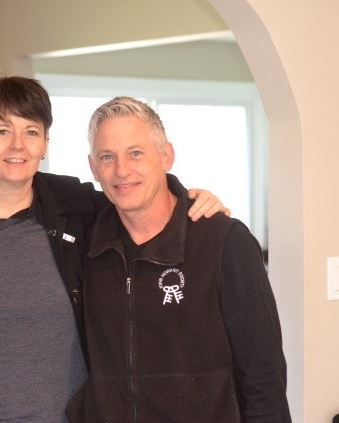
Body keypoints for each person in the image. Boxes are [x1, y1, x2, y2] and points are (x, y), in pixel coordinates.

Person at [0, 77, 227, 422]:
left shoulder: (80, 211)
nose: (18, 146)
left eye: (31, 132)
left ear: (45, 142)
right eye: (2, 131)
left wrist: (188, 199)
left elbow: (140, 198)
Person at [65, 96, 291, 422]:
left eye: (136, 153)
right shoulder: (85, 243)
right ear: (92, 168)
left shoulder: (223, 241)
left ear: (166, 156)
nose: (122, 170)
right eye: (107, 157)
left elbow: (263, 372)